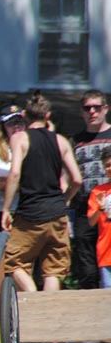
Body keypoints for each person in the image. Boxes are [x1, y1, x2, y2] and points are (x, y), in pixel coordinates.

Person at [1, 92, 82, 292]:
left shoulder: (20, 138)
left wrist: (6, 209)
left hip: (30, 213)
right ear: (48, 116)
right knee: (54, 268)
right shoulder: (61, 141)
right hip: (56, 213)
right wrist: (64, 200)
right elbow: (77, 180)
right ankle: (49, 312)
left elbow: (14, 174)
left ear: (26, 116)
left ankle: (32, 295)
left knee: (14, 262)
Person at [70, 89, 111, 289]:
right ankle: (88, 294)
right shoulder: (76, 140)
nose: (92, 112)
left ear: (106, 109)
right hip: (84, 205)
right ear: (82, 112)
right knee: (85, 255)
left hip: (109, 204)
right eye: (87, 108)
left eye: (97, 107)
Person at [87, 147, 111, 288]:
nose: (110, 168)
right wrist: (100, 208)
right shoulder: (98, 191)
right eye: (107, 165)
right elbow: (91, 222)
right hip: (106, 253)